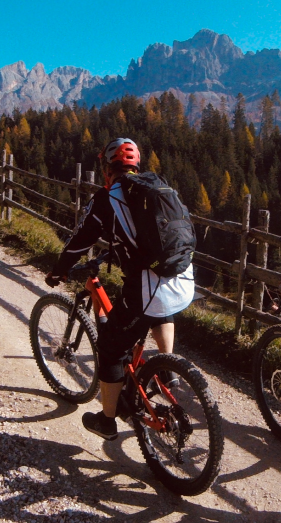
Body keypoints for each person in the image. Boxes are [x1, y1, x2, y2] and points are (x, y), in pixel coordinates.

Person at [46, 137, 195, 440]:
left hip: (149, 286)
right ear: (136, 165)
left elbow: (80, 241)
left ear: (106, 168)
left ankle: (107, 420)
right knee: (159, 312)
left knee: (112, 348)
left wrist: (59, 271)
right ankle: (166, 368)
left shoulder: (108, 197)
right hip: (184, 277)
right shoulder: (156, 185)